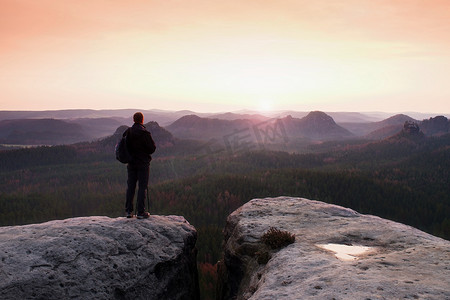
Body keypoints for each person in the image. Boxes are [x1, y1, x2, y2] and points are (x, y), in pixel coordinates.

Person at [124, 112, 156, 219]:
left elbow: (125, 147)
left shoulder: (128, 132)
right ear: (142, 120)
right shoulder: (145, 133)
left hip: (131, 163)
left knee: (131, 187)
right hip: (143, 163)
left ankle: (129, 211)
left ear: (134, 120)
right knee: (142, 187)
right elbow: (152, 148)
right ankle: (140, 212)